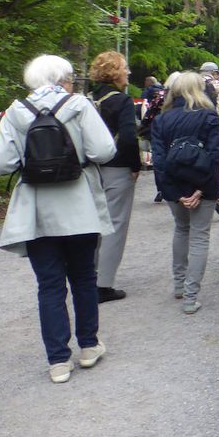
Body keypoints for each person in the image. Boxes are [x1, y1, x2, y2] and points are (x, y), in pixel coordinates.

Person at [0, 54, 116, 383]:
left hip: (37, 213)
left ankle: (58, 361)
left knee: (49, 285)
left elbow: (0, 163)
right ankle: (89, 346)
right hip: (80, 207)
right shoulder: (80, 106)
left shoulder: (16, 111)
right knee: (83, 278)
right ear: (64, 80)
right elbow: (103, 151)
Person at [151, 71, 219, 315]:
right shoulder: (209, 117)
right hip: (204, 185)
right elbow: (214, 157)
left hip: (174, 186)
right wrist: (200, 190)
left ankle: (180, 285)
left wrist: (174, 192)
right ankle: (191, 297)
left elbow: (159, 161)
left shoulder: (162, 120)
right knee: (200, 237)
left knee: (181, 229)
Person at [88, 51, 140, 303]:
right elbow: (129, 138)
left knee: (93, 224)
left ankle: (88, 276)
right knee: (115, 224)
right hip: (117, 168)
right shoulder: (122, 101)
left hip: (90, 169)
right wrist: (135, 165)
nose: (128, 72)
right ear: (114, 72)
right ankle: (103, 284)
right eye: (125, 67)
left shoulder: (86, 100)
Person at [199, 61, 219, 218]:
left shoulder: (193, 83)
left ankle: (199, 193)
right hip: (215, 126)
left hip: (195, 127)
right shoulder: (218, 85)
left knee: (199, 161)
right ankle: (218, 195)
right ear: (214, 73)